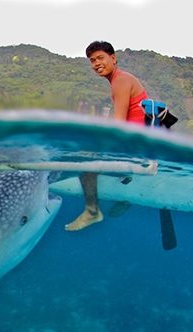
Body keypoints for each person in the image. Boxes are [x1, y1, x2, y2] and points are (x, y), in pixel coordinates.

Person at [65, 41, 150, 231]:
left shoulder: (121, 81)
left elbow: (119, 126)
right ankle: (123, 174)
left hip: (133, 145)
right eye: (92, 60)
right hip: (136, 143)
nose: (96, 63)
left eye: (100, 58)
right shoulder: (121, 80)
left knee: (84, 161)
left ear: (113, 58)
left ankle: (92, 211)